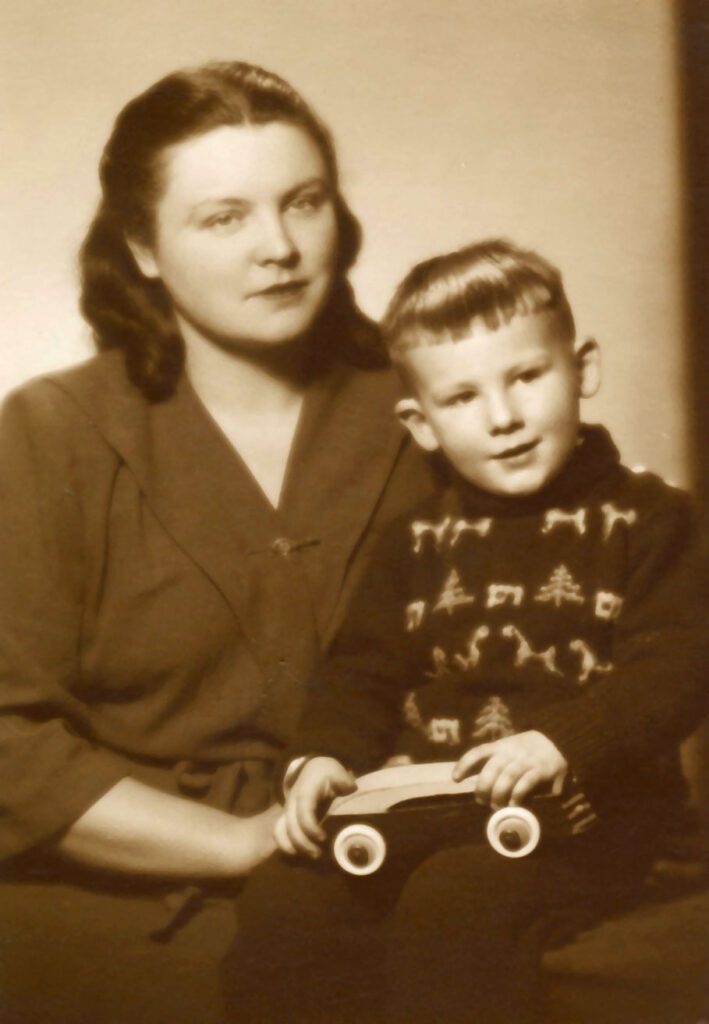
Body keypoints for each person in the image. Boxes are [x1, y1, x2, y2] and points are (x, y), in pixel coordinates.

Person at [0, 62, 441, 1024]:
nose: (278, 248)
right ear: (142, 247)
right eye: (223, 217)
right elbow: (5, 744)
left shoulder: (441, 410)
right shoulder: (50, 432)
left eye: (303, 203)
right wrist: (237, 842)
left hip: (421, 868)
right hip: (133, 897)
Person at [224, 239, 708, 1024]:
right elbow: (359, 674)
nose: (503, 417)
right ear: (420, 423)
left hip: (593, 821)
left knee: (459, 898)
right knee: (287, 898)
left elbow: (679, 667)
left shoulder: (654, 521)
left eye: (526, 376)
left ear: (580, 370)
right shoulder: (414, 541)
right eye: (462, 399)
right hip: (429, 809)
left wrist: (561, 742)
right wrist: (321, 758)